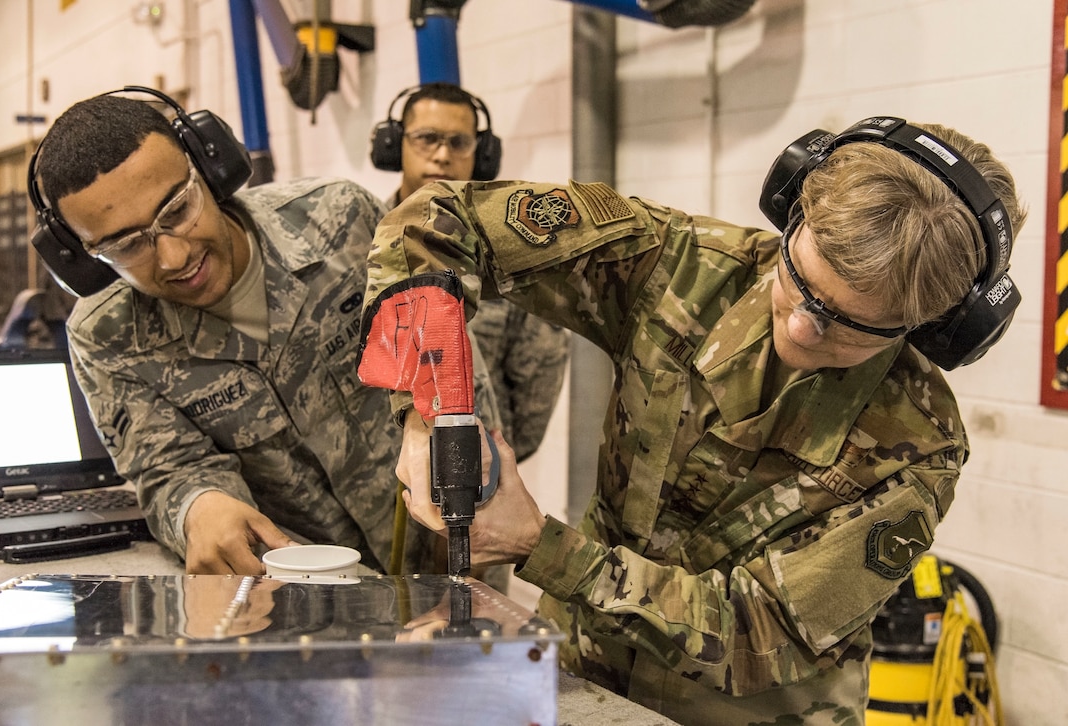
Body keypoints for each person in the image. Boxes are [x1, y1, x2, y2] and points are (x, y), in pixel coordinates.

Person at [358, 117, 1027, 724]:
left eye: (845, 325)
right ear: (790, 210)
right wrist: (428, 410)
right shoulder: (678, 264)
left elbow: (761, 633)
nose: (799, 324)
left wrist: (540, 546)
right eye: (798, 276)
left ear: (934, 329)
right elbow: (436, 217)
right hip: (581, 680)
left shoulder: (919, 446)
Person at [29, 90, 447, 576]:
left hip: (451, 545)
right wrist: (199, 507)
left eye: (177, 210)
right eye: (125, 246)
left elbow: (448, 369)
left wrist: (469, 535)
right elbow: (169, 467)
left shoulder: (341, 220)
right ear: (81, 262)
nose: (173, 257)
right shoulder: (107, 336)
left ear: (211, 169)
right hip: (303, 594)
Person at [375, 82, 568, 462]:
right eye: (426, 139)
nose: (442, 155)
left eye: (459, 142)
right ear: (394, 144)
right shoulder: (359, 243)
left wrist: (486, 457)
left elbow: (536, 385)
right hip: (370, 483)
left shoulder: (510, 256)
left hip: (474, 481)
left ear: (480, 154)